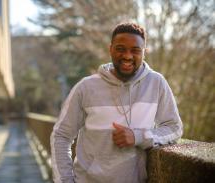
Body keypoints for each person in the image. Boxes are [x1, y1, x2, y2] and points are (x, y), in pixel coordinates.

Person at [50, 22, 183, 183]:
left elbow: (174, 128)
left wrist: (138, 136)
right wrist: (65, 180)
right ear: (110, 49)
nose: (127, 56)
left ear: (144, 52)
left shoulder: (156, 83)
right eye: (120, 49)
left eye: (135, 50)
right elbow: (61, 135)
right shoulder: (85, 87)